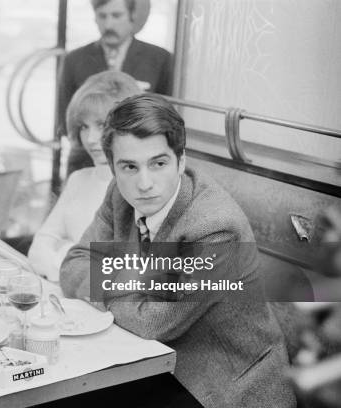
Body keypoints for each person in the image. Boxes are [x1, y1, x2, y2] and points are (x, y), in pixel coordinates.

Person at [59, 94, 296, 407]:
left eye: (158, 163)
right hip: (151, 359)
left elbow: (154, 322)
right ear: (114, 169)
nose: (144, 184)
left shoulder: (216, 228)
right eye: (129, 166)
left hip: (223, 386)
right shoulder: (119, 193)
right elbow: (74, 263)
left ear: (181, 162)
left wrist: (107, 282)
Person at [28, 71, 140, 281]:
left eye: (101, 125)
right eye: (83, 127)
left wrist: (62, 251)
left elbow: (119, 275)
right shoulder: (78, 179)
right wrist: (72, 262)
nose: (91, 138)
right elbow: (38, 248)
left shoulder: (142, 188)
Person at [57, 0, 173, 176]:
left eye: (116, 15)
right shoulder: (74, 60)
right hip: (86, 162)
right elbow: (66, 119)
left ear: (132, 16)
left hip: (138, 167)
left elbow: (167, 120)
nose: (108, 24)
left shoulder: (161, 60)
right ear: (94, 18)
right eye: (102, 16)